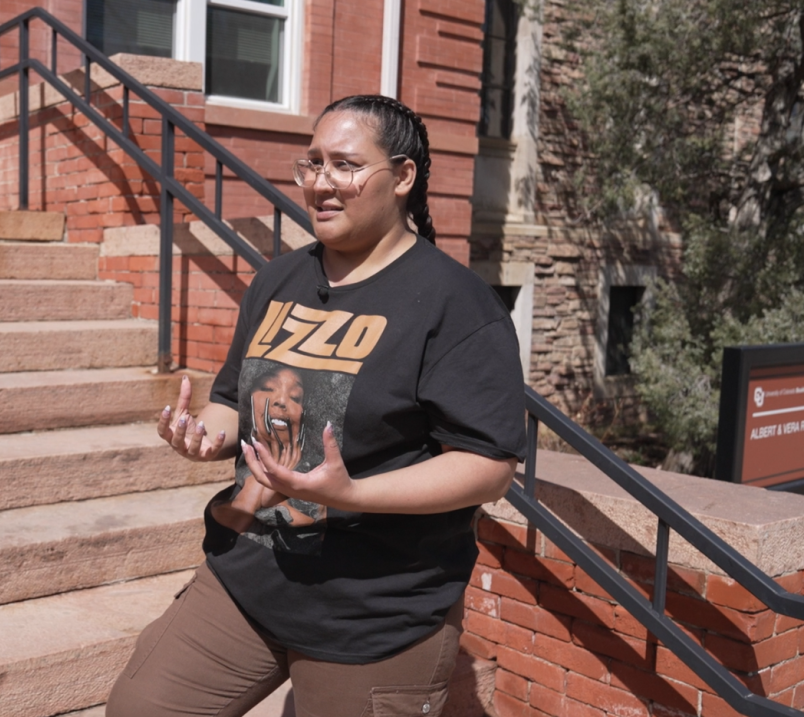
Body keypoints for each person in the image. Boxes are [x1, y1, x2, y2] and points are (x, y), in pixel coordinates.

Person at [106, 94, 527, 717]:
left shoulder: (455, 303)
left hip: (374, 613)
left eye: (345, 165)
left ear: (403, 177)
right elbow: (232, 402)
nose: (322, 183)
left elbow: (488, 466)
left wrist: (351, 493)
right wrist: (205, 435)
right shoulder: (278, 281)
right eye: (312, 164)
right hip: (247, 576)